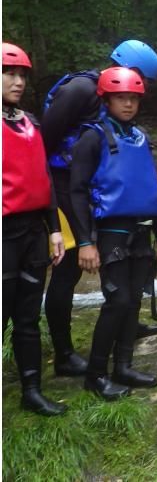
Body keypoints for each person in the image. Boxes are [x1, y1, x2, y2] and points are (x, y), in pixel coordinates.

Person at [41, 39, 157, 377]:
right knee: (68, 269)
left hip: (93, 187)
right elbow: (43, 143)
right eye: (142, 78)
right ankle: (64, 353)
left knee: (127, 263)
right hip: (64, 188)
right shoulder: (82, 89)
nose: (140, 88)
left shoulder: (111, 104)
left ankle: (127, 321)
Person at [70, 67, 157, 400]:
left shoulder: (140, 136)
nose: (128, 104)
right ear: (107, 99)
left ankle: (123, 366)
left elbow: (150, 189)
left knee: (133, 303)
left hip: (141, 232)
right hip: (112, 233)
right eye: (121, 98)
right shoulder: (93, 136)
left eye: (133, 98)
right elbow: (76, 191)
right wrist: (86, 241)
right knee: (118, 301)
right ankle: (96, 374)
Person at [2, 42, 67, 415]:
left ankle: (32, 391)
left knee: (27, 317)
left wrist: (54, 228)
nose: (18, 81)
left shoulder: (30, 122)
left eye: (23, 74)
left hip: (33, 231)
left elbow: (44, 179)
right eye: (10, 73)